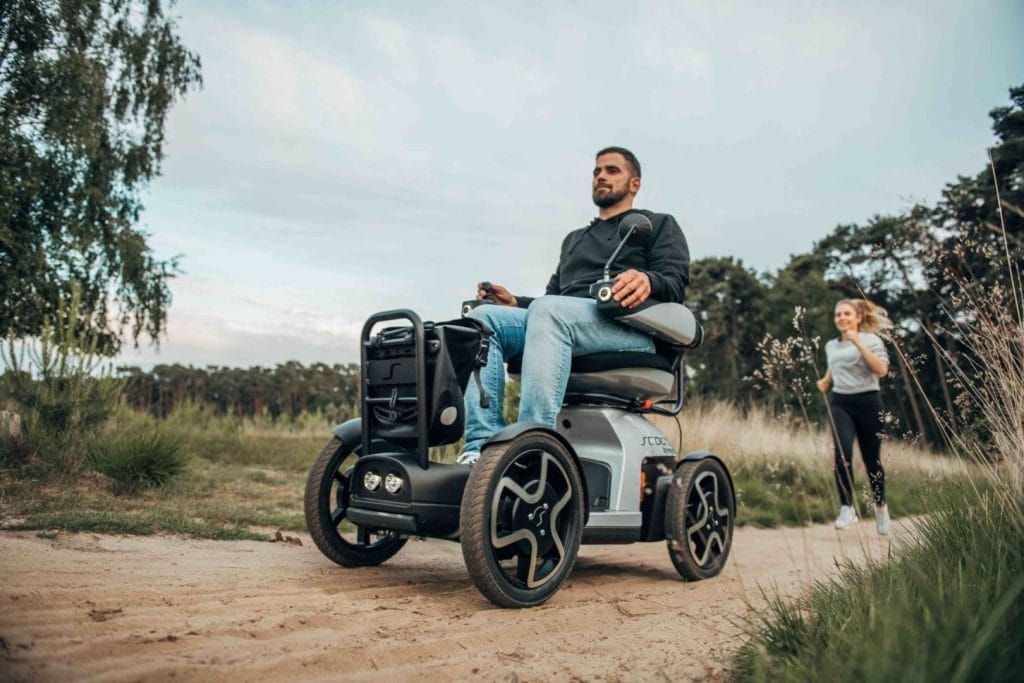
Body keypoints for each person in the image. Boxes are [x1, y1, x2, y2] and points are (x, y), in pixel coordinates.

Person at [459, 146, 690, 464]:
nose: (601, 177)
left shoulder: (658, 224)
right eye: (597, 171)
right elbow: (551, 299)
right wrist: (516, 303)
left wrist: (649, 280)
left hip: (629, 329)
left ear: (634, 183)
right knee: (482, 319)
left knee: (550, 312)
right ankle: (480, 449)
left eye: (612, 170)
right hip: (562, 322)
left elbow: (675, 283)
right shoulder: (574, 240)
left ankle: (530, 446)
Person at [816, 298, 894, 535]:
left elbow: (881, 370)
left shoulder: (872, 340)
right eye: (838, 314)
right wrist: (827, 380)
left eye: (847, 314)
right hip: (841, 403)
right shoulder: (831, 345)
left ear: (858, 317)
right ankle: (847, 508)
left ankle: (880, 508)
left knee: (872, 461)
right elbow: (836, 364)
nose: (842, 318)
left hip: (869, 401)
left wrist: (859, 343)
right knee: (842, 454)